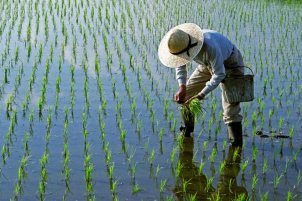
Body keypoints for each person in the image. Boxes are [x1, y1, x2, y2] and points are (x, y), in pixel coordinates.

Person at [158, 23, 245, 146]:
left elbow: (219, 74)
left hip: (231, 64)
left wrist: (201, 94)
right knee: (186, 95)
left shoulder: (209, 46)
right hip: (207, 65)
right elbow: (180, 65)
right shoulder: (181, 46)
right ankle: (186, 132)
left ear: (189, 48)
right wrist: (182, 86)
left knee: (230, 107)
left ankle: (236, 144)